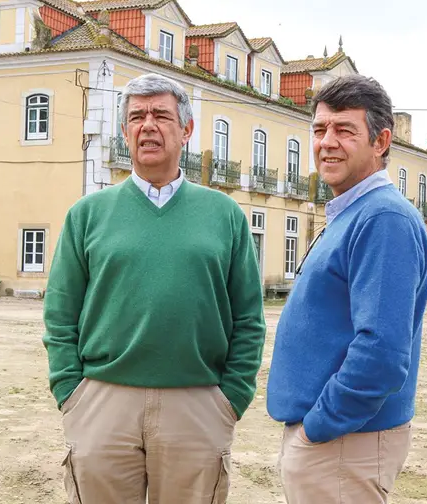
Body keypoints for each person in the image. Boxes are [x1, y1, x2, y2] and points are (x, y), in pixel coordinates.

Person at [42, 72, 267, 504]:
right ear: (125, 131)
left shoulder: (225, 215)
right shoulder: (87, 215)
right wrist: (71, 392)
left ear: (186, 130)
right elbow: (61, 313)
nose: (148, 125)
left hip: (198, 404)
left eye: (162, 115)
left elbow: (248, 318)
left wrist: (231, 398)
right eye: (137, 116)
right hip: (102, 403)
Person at [266, 74, 427, 503]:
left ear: (380, 142)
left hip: (343, 444)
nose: (327, 142)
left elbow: (381, 352)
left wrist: (320, 425)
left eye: (345, 130)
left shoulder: (382, 219)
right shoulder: (354, 212)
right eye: (320, 130)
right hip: (335, 444)